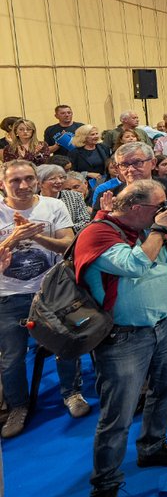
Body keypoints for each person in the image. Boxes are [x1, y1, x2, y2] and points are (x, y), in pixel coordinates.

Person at [75, 180, 167, 497]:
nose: (164, 211)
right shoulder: (98, 234)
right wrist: (160, 229)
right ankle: (105, 486)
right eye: (158, 207)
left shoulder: (151, 227)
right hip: (123, 335)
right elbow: (134, 265)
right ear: (133, 208)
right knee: (118, 414)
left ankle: (153, 446)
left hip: (165, 322)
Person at [0, 160, 82, 439]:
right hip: (8, 295)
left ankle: (72, 393)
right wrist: (13, 237)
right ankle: (17, 406)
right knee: (12, 358)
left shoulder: (53, 206)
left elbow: (69, 245)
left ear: (36, 180)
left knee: (66, 344)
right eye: (15, 181)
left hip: (51, 290)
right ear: (3, 184)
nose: (23, 186)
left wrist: (39, 237)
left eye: (28, 179)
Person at [37, 163, 90, 232]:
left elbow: (85, 221)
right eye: (52, 179)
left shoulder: (75, 196)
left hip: (72, 239)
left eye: (61, 178)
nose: (59, 181)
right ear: (40, 183)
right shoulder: (33, 200)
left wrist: (64, 231)